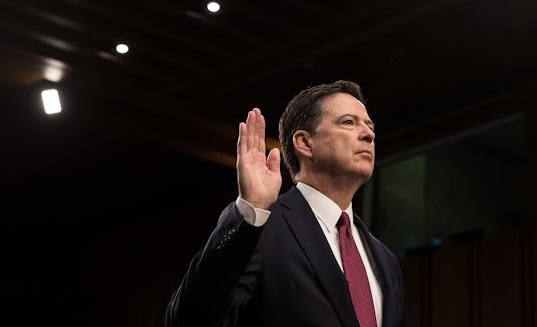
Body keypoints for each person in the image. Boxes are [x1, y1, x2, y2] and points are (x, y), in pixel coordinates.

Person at [166, 80, 405, 327]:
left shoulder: (386, 260)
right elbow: (188, 320)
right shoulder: (259, 227)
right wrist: (251, 211)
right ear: (304, 143)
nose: (369, 134)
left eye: (369, 125)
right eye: (348, 122)